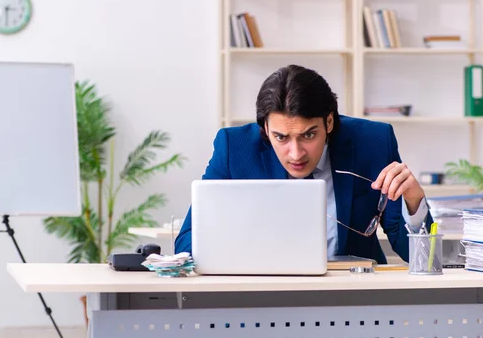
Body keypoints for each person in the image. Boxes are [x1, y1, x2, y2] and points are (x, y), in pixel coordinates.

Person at [174, 64, 433, 264]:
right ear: (265, 128)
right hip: (261, 298)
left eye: (308, 135)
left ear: (329, 123)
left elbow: (422, 257)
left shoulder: (373, 142)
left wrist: (413, 203)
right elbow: (185, 245)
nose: (296, 153)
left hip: (354, 300)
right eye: (281, 137)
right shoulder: (234, 148)